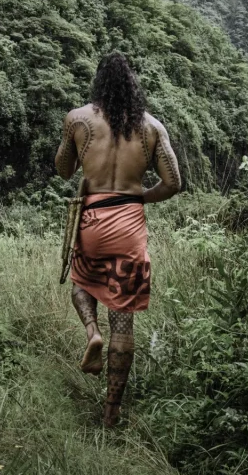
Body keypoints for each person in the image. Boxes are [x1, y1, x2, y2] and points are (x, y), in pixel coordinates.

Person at [54, 51, 182, 427]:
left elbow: (63, 170)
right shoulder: (152, 127)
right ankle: (111, 410)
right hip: (128, 224)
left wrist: (73, 145)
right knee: (123, 321)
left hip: (92, 220)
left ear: (98, 82)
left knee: (81, 283)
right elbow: (174, 182)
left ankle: (92, 333)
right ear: (133, 84)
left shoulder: (78, 119)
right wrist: (140, 196)